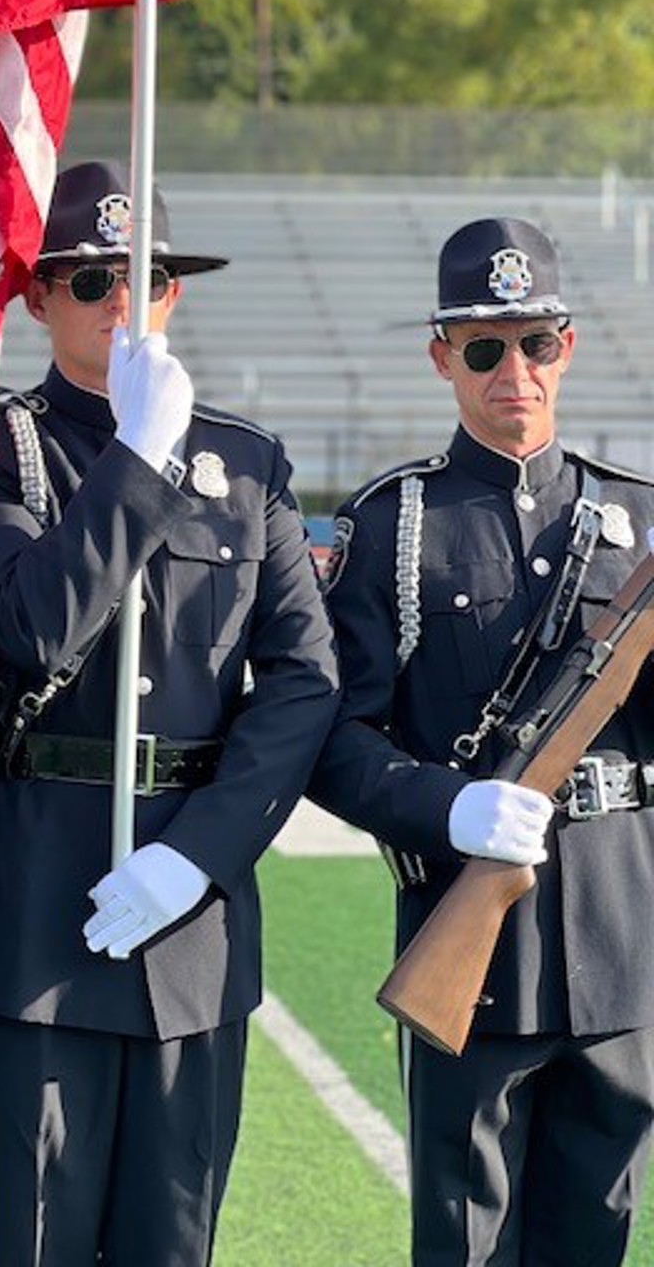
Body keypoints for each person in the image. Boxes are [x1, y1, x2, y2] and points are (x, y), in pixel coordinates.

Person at [0, 159, 340, 1267]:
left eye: (143, 277)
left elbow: (302, 681)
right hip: (29, 913)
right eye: (91, 278)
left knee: (174, 1242)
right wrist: (139, 455)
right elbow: (29, 625)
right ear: (36, 297)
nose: (120, 303)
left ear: (173, 294)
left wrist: (198, 858)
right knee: (38, 1240)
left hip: (188, 919)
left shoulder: (248, 466)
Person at [308, 216, 654, 1266]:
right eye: (485, 347)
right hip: (476, 953)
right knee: (467, 1246)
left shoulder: (641, 522)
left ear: (567, 348)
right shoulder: (393, 526)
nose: (516, 372)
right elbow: (333, 739)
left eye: (535, 343)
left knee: (597, 1236)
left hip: (620, 951)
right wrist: (443, 807)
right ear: (442, 357)